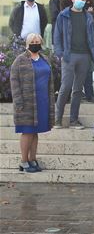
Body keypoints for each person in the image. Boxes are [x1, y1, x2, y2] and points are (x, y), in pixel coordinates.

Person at [10, 33, 55, 173]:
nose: (35, 43)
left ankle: (32, 159)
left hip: (42, 102)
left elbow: (50, 80)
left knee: (35, 132)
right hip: (26, 103)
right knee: (27, 132)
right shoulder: (20, 60)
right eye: (32, 41)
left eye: (37, 41)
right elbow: (14, 81)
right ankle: (24, 161)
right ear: (27, 44)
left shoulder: (44, 59)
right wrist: (18, 101)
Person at [53, 0, 94, 130]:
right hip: (68, 55)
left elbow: (92, 36)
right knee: (65, 86)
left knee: (78, 89)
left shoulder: (88, 16)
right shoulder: (64, 15)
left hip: (84, 55)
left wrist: (92, 54)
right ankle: (57, 119)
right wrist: (59, 52)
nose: (80, 1)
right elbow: (57, 34)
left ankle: (73, 120)